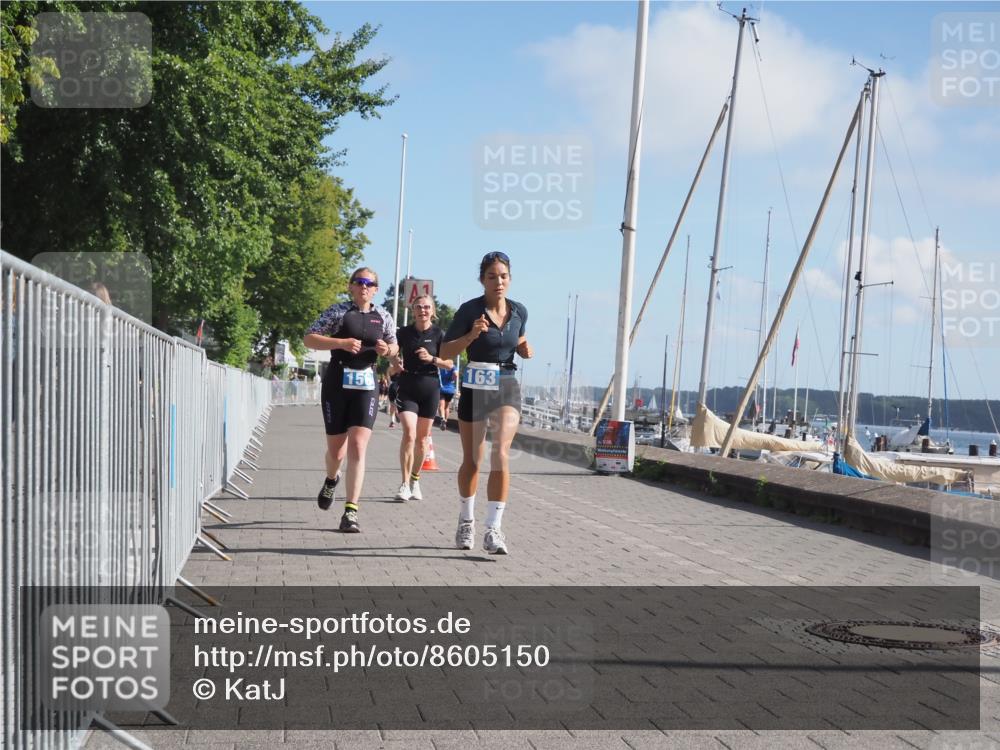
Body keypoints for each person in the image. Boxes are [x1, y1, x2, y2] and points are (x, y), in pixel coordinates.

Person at [440, 251, 532, 555]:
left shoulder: (519, 311)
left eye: (503, 276)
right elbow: (446, 349)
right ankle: (466, 520)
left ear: (510, 278)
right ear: (482, 280)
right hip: (476, 383)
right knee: (473, 461)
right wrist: (470, 336)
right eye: (492, 276)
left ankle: (494, 529)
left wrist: (523, 348)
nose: (498, 281)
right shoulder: (469, 310)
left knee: (501, 453)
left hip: (506, 383)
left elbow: (517, 339)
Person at [303, 267, 397, 533]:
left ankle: (351, 512)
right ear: (351, 286)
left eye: (370, 283)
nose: (364, 286)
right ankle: (332, 479)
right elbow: (309, 337)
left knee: (358, 445)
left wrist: (387, 349)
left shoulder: (384, 316)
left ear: (376, 289)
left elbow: (394, 346)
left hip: (366, 384)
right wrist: (340, 343)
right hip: (337, 383)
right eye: (359, 282)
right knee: (337, 451)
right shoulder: (338, 312)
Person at [392, 295, 454, 502]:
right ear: (413, 310)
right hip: (408, 386)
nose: (422, 310)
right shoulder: (404, 333)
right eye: (418, 307)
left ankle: (415, 480)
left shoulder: (439, 334)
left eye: (427, 307)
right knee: (409, 434)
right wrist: (394, 362)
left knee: (422, 440)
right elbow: (393, 351)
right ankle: (403, 484)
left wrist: (432, 359)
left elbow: (450, 364)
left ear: (432, 310)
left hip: (430, 388)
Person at [438, 361, 458, 430]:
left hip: (441, 388)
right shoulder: (453, 366)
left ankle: (442, 419)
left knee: (441, 406)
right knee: (446, 407)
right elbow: (456, 375)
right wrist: (452, 379)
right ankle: (445, 421)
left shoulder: (440, 365)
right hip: (450, 389)